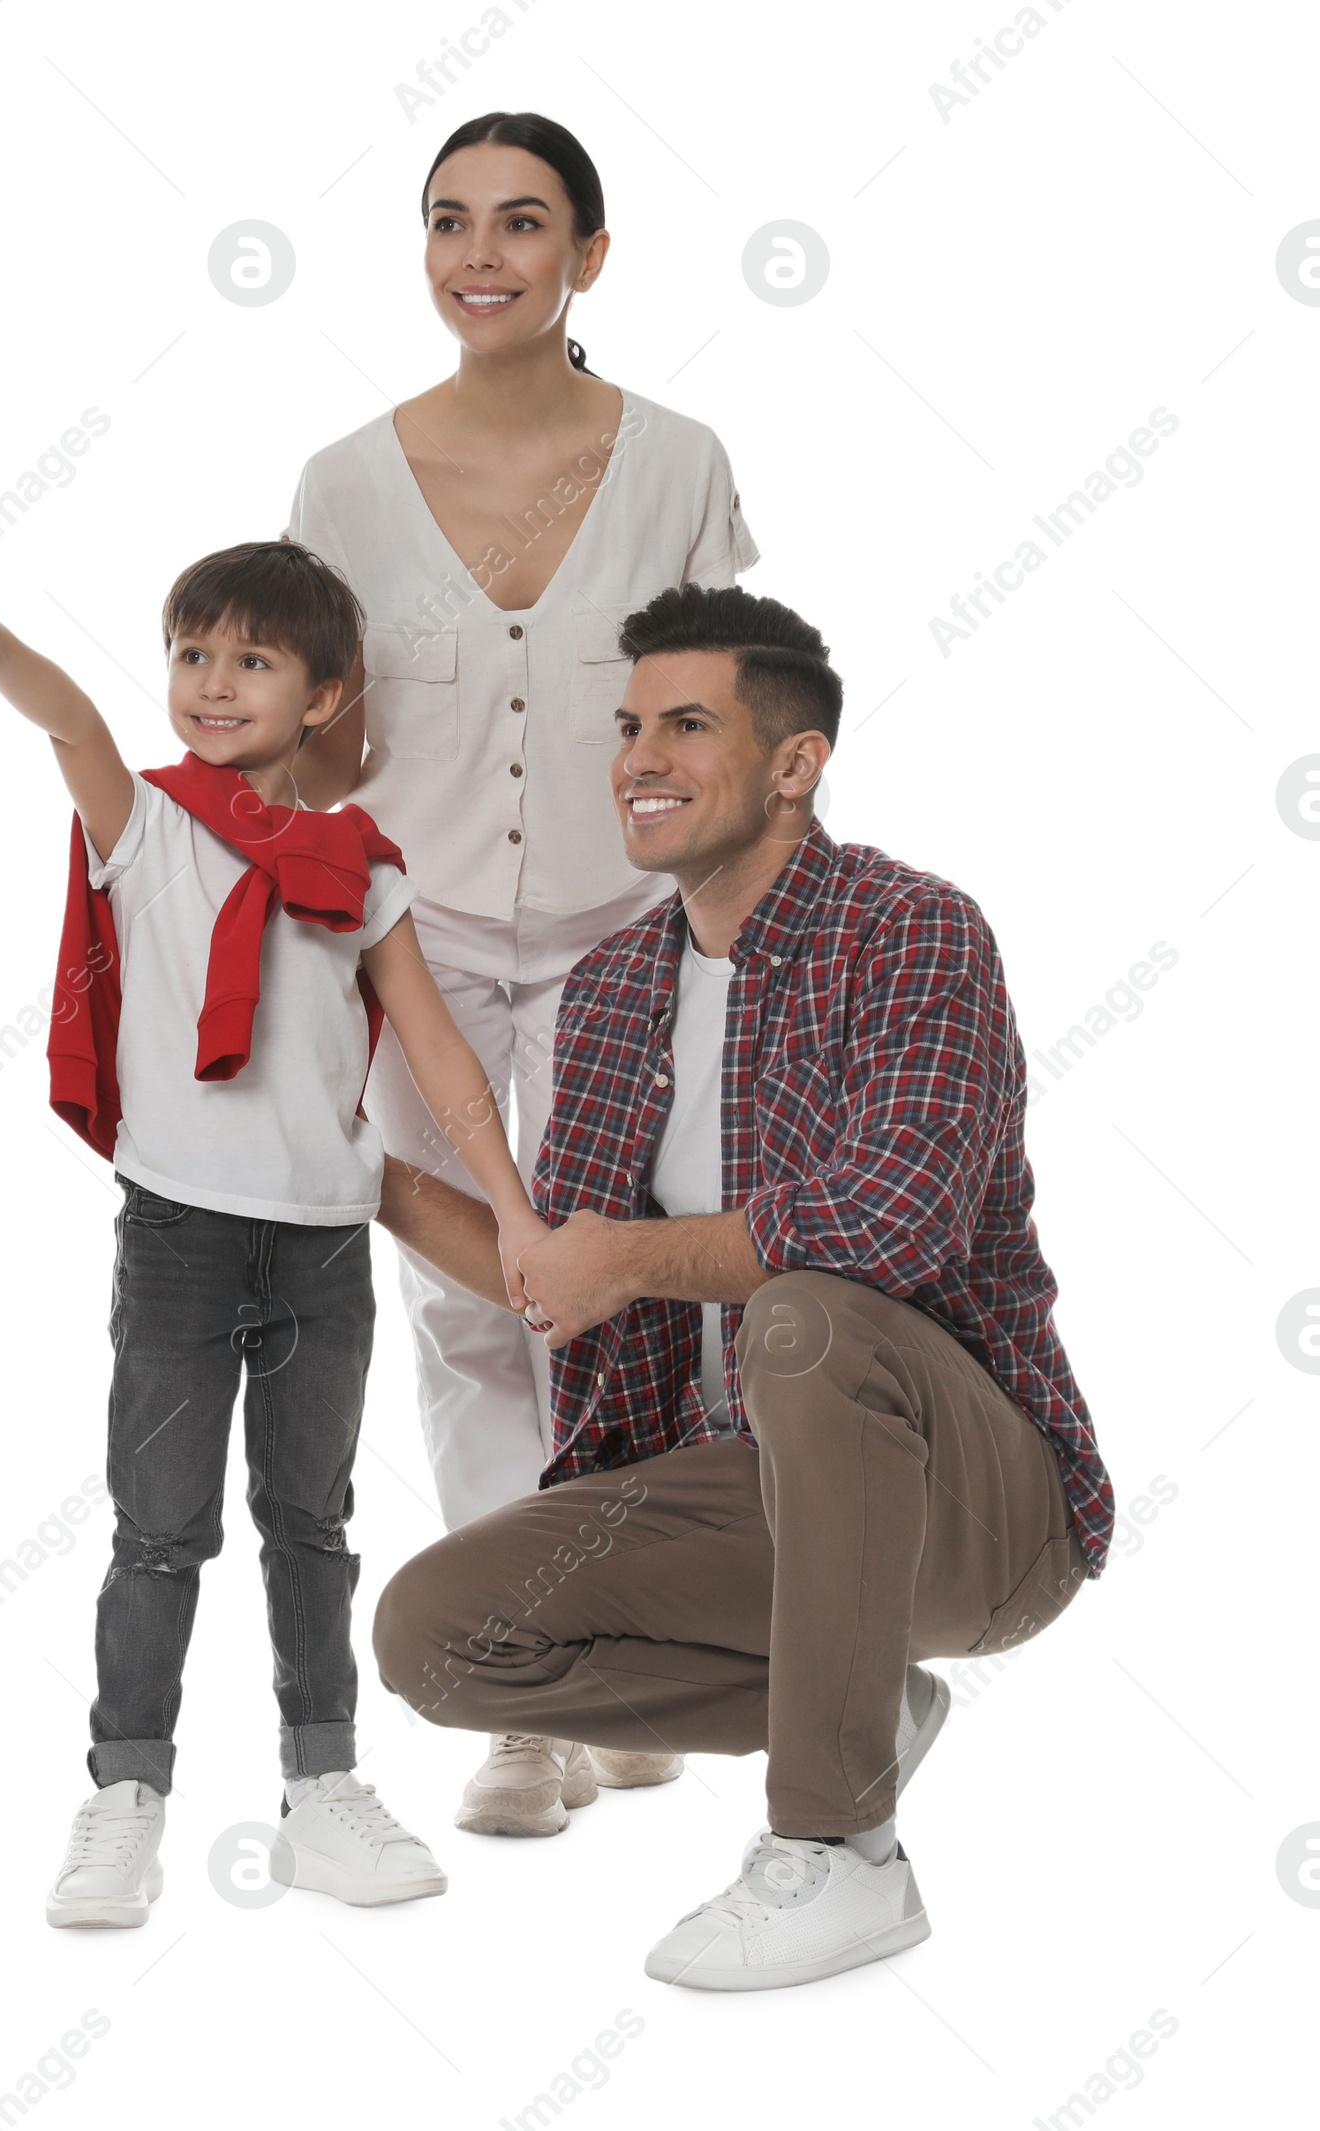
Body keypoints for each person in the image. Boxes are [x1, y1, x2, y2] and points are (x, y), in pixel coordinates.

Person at [371, 582, 1112, 1988]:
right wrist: (354, 1173)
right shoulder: (610, 991)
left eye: (687, 725)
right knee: (435, 1640)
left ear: (794, 765)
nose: (638, 758)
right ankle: (860, 1706)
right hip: (751, 1497)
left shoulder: (913, 931)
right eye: (630, 725)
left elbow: (885, 1223)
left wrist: (626, 1257)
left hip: (977, 1508)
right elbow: (559, 1281)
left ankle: (843, 1854)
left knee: (807, 1309)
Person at [0, 542, 550, 1924]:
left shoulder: (363, 872)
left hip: (323, 1242)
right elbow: (75, 719)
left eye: (253, 660)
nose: (213, 683)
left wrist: (513, 1210)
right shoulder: (144, 823)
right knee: (158, 1530)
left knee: (311, 1525)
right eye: (195, 652)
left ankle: (323, 1793)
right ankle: (124, 1797)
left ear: (322, 698)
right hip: (181, 1238)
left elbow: (436, 1056)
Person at [286, 107, 757, 1819]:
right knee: (462, 1305)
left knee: (624, 1298)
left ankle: (636, 1661)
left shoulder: (680, 459)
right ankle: (523, 1696)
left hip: (631, 945)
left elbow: (725, 706)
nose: (478, 254)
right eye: (448, 221)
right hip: (411, 948)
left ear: (589, 258)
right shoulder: (344, 480)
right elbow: (315, 743)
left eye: (521, 221)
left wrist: (757, 923)